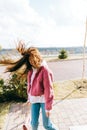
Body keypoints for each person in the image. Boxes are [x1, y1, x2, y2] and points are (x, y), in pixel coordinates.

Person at [6, 41, 58, 130]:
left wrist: (48, 108)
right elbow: (30, 85)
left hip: (44, 100)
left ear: (36, 57)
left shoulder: (45, 70)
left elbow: (49, 89)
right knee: (34, 124)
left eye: (32, 60)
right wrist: (29, 98)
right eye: (29, 60)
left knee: (47, 125)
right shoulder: (31, 70)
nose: (31, 62)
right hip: (34, 100)